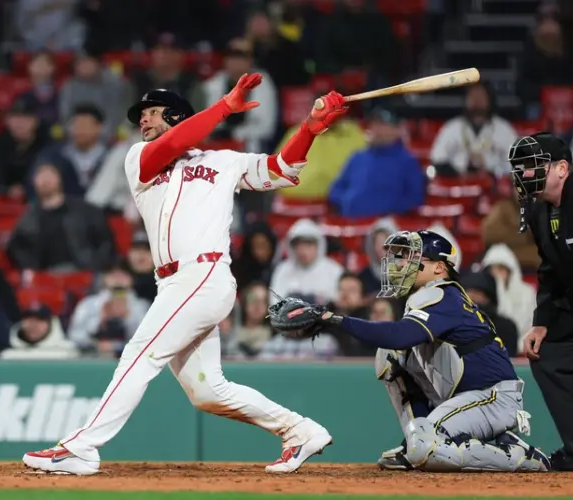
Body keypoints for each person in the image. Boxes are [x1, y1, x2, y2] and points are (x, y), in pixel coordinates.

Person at [23, 75, 350, 475]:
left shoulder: (223, 161)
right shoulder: (138, 158)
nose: (142, 120)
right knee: (207, 391)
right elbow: (175, 143)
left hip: (205, 274)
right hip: (173, 283)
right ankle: (299, 430)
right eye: (140, 114)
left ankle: (81, 447)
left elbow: (280, 171)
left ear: (176, 114)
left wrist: (309, 129)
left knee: (138, 355)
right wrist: (223, 109)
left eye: (152, 112)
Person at [268, 230, 551, 473]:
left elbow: (401, 335)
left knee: (426, 445)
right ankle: (415, 440)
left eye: (413, 258)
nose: (402, 263)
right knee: (389, 357)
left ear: (440, 267)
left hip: (493, 397)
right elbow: (397, 343)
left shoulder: (445, 293)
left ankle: (516, 455)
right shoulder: (426, 296)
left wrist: (334, 319)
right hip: (463, 394)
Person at [508, 132, 573, 471]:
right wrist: (541, 321)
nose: (525, 174)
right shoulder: (541, 212)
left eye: (534, 166)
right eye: (521, 168)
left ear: (562, 169)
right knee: (547, 354)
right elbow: (550, 272)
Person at [328, 108, 425, 217]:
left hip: (385, 227)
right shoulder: (358, 157)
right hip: (350, 224)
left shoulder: (407, 161)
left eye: (382, 124)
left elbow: (414, 198)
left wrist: (387, 210)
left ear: (397, 129)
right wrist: (346, 202)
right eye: (373, 124)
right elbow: (336, 190)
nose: (376, 129)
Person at [429, 83, 518, 177]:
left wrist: (492, 170)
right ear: (466, 100)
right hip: (458, 184)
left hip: (493, 184)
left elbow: (516, 163)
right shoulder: (452, 127)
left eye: (481, 96)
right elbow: (437, 158)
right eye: (473, 96)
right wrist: (458, 171)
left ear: (489, 100)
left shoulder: (504, 129)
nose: (477, 101)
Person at [269, 218, 344, 306]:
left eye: (308, 245)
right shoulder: (282, 269)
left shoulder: (335, 270)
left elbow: (338, 303)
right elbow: (275, 303)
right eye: (299, 246)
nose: (303, 251)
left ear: (318, 245)